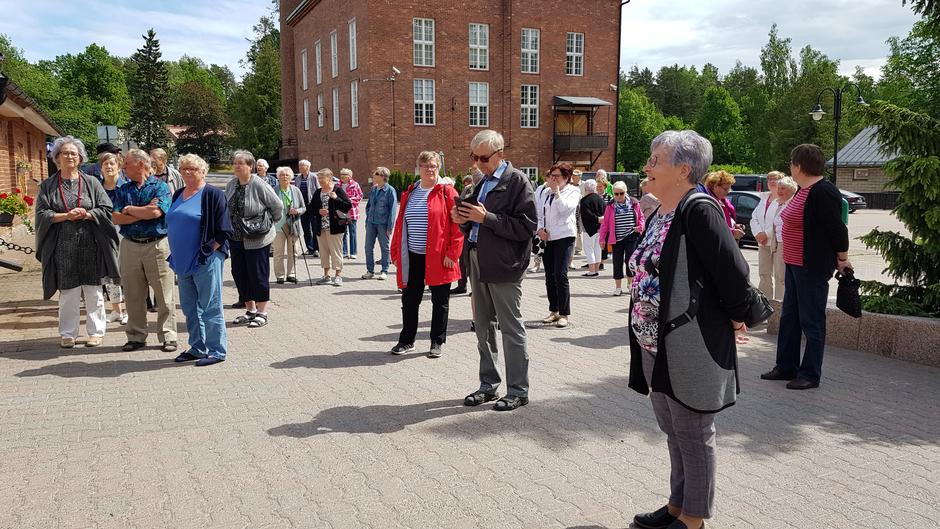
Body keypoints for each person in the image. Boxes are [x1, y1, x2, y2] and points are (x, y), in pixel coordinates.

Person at [628, 130, 753, 529]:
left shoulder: (699, 210)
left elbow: (734, 273)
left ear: (683, 170)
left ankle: (693, 520)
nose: (647, 166)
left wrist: (737, 318)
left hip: (690, 343)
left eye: (656, 160)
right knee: (674, 430)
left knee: (694, 433)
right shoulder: (660, 213)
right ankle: (677, 506)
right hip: (654, 343)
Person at [453, 129, 537, 412]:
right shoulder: (482, 182)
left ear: (500, 154)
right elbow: (475, 224)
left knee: (510, 328)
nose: (477, 163)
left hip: (504, 264)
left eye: (483, 158)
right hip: (477, 258)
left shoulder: (518, 181)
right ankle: (488, 385)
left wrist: (485, 217)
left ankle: (518, 390)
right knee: (482, 326)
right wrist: (463, 220)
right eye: (474, 157)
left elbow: (527, 227)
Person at [762, 144, 851, 390]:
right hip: (794, 264)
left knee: (812, 321)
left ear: (799, 166)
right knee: (790, 318)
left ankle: (810, 373)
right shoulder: (803, 190)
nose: (790, 167)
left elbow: (837, 229)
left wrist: (843, 258)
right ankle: (786, 366)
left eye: (792, 163)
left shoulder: (823, 191)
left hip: (811, 266)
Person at [35, 136, 120, 348]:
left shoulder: (92, 182)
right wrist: (66, 216)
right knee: (68, 293)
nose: (70, 156)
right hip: (62, 247)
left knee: (94, 291)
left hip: (91, 245)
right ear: (57, 158)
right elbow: (42, 214)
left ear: (80, 158)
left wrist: (88, 214)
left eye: (74, 153)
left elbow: (106, 209)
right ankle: (67, 334)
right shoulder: (47, 185)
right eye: (65, 153)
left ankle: (96, 332)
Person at [389, 152, 464, 357]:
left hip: (440, 257)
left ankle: (436, 342)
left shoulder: (447, 192)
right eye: (425, 166)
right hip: (412, 256)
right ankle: (406, 341)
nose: (429, 169)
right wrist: (395, 252)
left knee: (440, 301)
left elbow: (458, 225)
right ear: (418, 168)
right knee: (409, 300)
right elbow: (400, 224)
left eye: (433, 166)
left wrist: (453, 253)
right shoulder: (410, 192)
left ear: (438, 168)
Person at [166, 154, 232, 366]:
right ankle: (197, 347)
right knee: (189, 308)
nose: (187, 172)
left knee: (210, 306)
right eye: (184, 168)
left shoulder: (213, 194)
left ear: (203, 171)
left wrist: (209, 251)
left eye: (192, 168)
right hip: (181, 260)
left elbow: (224, 230)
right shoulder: (179, 193)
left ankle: (217, 350)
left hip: (206, 260)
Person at [110, 149, 178, 352]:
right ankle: (136, 336)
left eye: (126, 164)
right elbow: (115, 217)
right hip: (130, 245)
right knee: (133, 294)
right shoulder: (123, 189)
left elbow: (157, 212)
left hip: (157, 245)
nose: (123, 167)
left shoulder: (160, 186)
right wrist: (144, 211)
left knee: (164, 294)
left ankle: (168, 335)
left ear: (140, 164)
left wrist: (130, 209)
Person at [225, 150, 283, 328]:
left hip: (257, 238)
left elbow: (277, 206)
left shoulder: (258, 183)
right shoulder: (232, 184)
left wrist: (268, 223)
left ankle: (262, 312)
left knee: (258, 274)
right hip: (236, 238)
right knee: (239, 273)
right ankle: (250, 310)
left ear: (250, 166)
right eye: (235, 163)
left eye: (240, 163)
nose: (237, 166)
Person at [535, 163, 580, 328]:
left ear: (566, 177)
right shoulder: (545, 192)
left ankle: (564, 313)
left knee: (561, 274)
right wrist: (539, 229)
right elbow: (539, 213)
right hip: (548, 237)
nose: (553, 179)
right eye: (551, 176)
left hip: (564, 236)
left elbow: (565, 210)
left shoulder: (573, 191)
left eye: (557, 176)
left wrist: (557, 192)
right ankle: (553, 310)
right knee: (550, 275)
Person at [599, 181, 645, 296]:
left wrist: (640, 227)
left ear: (626, 192)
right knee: (617, 262)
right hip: (616, 238)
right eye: (616, 194)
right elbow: (605, 224)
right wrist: (602, 239)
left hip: (631, 236)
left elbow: (641, 217)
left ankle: (630, 284)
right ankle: (618, 287)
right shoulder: (610, 206)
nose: (619, 196)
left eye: (621, 193)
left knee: (630, 260)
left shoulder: (634, 203)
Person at [99, 152, 129, 325]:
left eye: (112, 163)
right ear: (101, 168)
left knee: (129, 273)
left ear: (119, 166)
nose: (109, 167)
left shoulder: (127, 187)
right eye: (105, 164)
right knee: (110, 273)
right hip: (104, 235)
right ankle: (116, 309)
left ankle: (129, 310)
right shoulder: (97, 188)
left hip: (125, 233)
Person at [310, 168, 352, 285]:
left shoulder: (337, 190)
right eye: (319, 178)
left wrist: (336, 198)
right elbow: (311, 208)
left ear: (329, 178)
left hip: (335, 227)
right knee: (324, 253)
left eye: (322, 178)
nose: (320, 180)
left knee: (336, 252)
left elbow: (348, 205)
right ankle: (326, 275)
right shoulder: (318, 192)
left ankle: (338, 276)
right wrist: (319, 211)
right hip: (321, 228)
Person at [750, 171, 784, 299]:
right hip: (762, 243)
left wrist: (766, 234)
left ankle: (780, 303)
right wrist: (758, 233)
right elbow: (754, 218)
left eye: (775, 179)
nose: (772, 181)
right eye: (769, 179)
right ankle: (765, 302)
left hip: (777, 243)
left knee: (780, 275)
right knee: (764, 274)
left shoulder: (784, 199)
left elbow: (780, 220)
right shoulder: (763, 198)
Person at [362, 166, 397, 280]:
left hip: (383, 224)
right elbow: (369, 206)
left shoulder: (390, 190)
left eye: (376, 174)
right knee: (368, 247)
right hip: (371, 223)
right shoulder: (373, 189)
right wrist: (367, 219)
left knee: (384, 248)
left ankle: (384, 271)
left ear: (383, 176)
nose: (373, 175)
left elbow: (392, 210)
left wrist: (390, 226)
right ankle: (370, 271)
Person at [273, 166, 307, 284]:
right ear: (278, 177)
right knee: (278, 253)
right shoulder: (273, 190)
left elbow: (303, 207)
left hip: (293, 226)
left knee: (293, 251)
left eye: (287, 175)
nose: (284, 177)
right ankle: (280, 275)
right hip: (278, 226)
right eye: (282, 175)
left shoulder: (296, 190)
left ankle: (291, 274)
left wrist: (297, 211)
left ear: (291, 177)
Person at [770, 176, 798, 300]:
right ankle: (781, 302)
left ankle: (784, 303)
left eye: (783, 188)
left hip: (788, 244)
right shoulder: (780, 204)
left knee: (783, 277)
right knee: (779, 276)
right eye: (779, 188)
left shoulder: (792, 204)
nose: (779, 191)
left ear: (792, 190)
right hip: (779, 244)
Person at [704, 170, 746, 241]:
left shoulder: (721, 200)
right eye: (726, 189)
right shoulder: (708, 203)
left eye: (729, 188)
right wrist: (732, 232)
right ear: (715, 186)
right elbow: (712, 226)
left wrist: (734, 225)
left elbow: (724, 221)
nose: (728, 191)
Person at [579, 179, 606, 277]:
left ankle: (592, 270)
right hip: (600, 228)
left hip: (589, 229)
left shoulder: (584, 200)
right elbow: (605, 211)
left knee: (589, 249)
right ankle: (597, 270)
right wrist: (600, 219)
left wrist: (597, 219)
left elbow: (586, 214)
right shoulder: (600, 199)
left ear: (586, 188)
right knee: (597, 249)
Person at [295, 159, 319, 256]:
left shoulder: (314, 177)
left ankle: (316, 249)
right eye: (299, 166)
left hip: (312, 205)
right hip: (302, 206)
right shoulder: (298, 178)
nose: (300, 167)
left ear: (308, 167)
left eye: (302, 166)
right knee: (306, 228)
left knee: (315, 227)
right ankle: (310, 248)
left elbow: (318, 190)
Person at [339, 168, 363, 259]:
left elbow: (360, 196)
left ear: (350, 176)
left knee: (352, 233)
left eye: (345, 175)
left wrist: (348, 200)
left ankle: (353, 252)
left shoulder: (355, 185)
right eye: (341, 175)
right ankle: (344, 252)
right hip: (341, 213)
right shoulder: (337, 185)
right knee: (343, 233)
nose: (342, 176)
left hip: (352, 212)